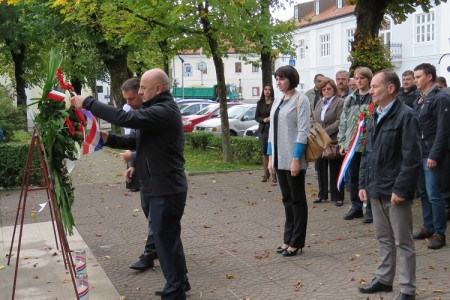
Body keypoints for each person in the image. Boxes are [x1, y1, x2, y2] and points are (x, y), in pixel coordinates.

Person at [72, 68, 189, 299]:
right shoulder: (157, 110)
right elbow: (136, 141)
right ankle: (179, 282)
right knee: (168, 240)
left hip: (165, 189)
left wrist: (88, 102)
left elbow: (125, 118)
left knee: (165, 242)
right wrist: (109, 139)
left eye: (143, 88)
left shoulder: (163, 110)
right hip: (161, 187)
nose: (140, 91)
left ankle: (175, 291)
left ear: (158, 88)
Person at [358, 69, 421, 300]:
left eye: (375, 87)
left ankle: (407, 289)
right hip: (376, 188)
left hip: (395, 191)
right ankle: (384, 279)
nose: (370, 91)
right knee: (383, 238)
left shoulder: (406, 116)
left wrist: (402, 190)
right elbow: (367, 152)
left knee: (403, 242)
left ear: (390, 88)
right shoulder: (375, 114)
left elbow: (411, 157)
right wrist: (363, 183)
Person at [268, 65, 310, 257]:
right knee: (286, 199)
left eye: (282, 79)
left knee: (297, 200)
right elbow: (271, 132)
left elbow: (303, 131)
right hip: (279, 158)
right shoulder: (277, 101)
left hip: (292, 158)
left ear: (291, 79)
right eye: (277, 78)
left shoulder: (301, 100)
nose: (278, 82)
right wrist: (270, 158)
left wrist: (296, 158)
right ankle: (287, 239)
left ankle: (297, 241)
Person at [412, 63, 450, 250]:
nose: (415, 80)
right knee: (424, 194)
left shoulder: (440, 98)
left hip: (431, 155)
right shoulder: (419, 99)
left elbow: (443, 131)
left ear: (429, 77)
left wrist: (434, 154)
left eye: (418, 77)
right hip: (419, 154)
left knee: (435, 194)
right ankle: (428, 227)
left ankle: (439, 232)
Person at [337, 66, 374, 224]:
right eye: (357, 78)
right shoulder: (350, 99)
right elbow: (343, 121)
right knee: (352, 178)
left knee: (368, 177)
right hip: (352, 145)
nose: (359, 81)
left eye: (362, 78)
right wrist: (342, 141)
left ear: (369, 79)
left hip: (368, 145)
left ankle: (370, 209)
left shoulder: (373, 98)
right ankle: (356, 206)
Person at [312, 78, 345, 206]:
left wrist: (324, 132)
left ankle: (338, 196)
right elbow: (315, 119)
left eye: (329, 89)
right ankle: (322, 194)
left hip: (333, 140)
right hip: (320, 141)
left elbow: (339, 121)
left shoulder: (340, 102)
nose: (326, 91)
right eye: (324, 89)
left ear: (334, 89)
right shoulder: (319, 102)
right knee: (320, 168)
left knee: (335, 169)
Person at [121, 79, 142, 193]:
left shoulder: (154, 113)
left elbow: (155, 151)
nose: (128, 103)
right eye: (126, 99)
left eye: (131, 98)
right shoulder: (136, 111)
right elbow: (134, 138)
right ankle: (133, 184)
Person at [255, 85, 277, 183]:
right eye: (265, 89)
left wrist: (271, 119)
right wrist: (263, 119)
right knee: (265, 152)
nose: (267, 91)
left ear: (272, 91)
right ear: (263, 91)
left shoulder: (275, 102)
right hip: (263, 130)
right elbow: (256, 117)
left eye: (269, 90)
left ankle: (274, 174)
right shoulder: (260, 103)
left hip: (273, 129)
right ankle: (266, 174)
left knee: (272, 151)